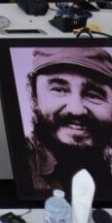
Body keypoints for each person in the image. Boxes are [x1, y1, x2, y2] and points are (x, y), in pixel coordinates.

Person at [24, 47, 112, 190]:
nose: (76, 110)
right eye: (59, 90)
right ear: (33, 97)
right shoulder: (16, 163)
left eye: (93, 95)